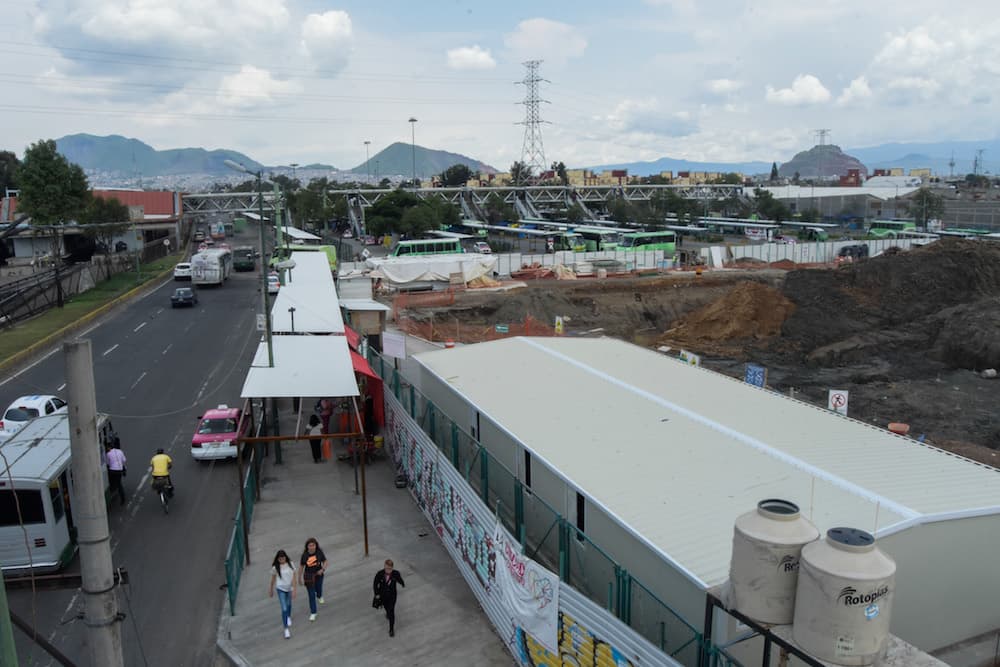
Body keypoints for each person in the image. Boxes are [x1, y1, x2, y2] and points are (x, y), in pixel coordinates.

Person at [372, 558, 405, 637]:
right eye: (386, 568)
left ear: (392, 568)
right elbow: (375, 584)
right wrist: (376, 594)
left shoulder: (396, 573)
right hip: (383, 596)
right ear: (384, 566)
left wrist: (402, 583)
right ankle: (387, 613)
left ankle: (391, 629)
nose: (388, 570)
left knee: (391, 611)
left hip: (392, 596)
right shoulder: (380, 574)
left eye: (389, 569)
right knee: (387, 608)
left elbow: (400, 579)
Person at [268, 549, 296, 639]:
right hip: (280, 589)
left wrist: (294, 589)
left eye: (283, 558)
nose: (282, 560)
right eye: (280, 559)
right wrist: (271, 589)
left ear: (285, 557)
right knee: (284, 608)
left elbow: (294, 577)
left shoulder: (290, 564)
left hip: (289, 588)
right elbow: (272, 579)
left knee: (289, 604)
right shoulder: (275, 568)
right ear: (278, 559)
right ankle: (286, 629)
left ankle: (288, 616)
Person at [299, 537, 328, 621]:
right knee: (311, 595)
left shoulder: (319, 552)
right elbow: (301, 567)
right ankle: (313, 612)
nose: (311, 547)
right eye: (310, 545)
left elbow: (325, 562)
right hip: (309, 577)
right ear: (307, 546)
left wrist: (322, 569)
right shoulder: (304, 555)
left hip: (319, 575)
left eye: (313, 545)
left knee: (318, 589)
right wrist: (299, 578)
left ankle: (319, 596)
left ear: (316, 546)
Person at [105, 441, 127, 506]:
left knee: (114, 482)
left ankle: (113, 491)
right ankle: (121, 496)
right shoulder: (120, 451)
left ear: (109, 447)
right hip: (119, 470)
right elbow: (124, 460)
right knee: (119, 483)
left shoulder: (108, 454)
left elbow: (107, 463)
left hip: (112, 471)